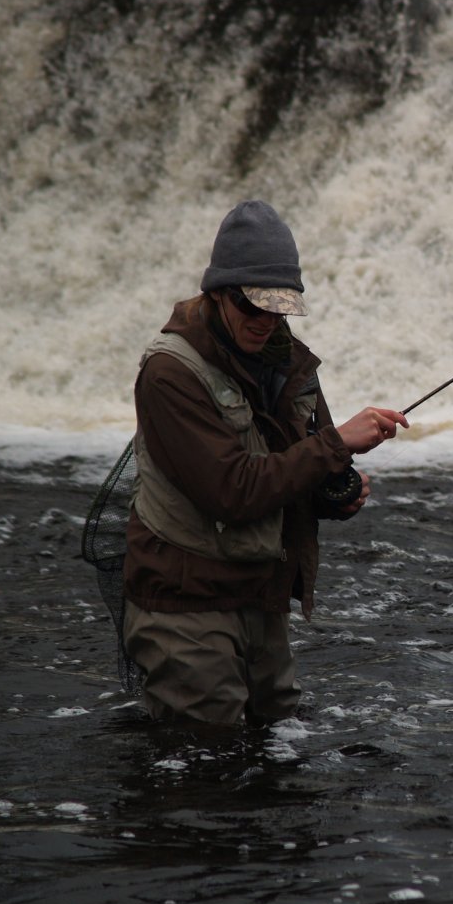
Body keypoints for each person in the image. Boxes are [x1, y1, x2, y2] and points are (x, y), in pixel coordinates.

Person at [122, 199, 409, 727]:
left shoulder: (290, 362)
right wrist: (337, 446)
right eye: (253, 306)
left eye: (279, 308)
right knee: (206, 762)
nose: (266, 321)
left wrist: (337, 491)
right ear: (218, 293)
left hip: (260, 594)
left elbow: (305, 464)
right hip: (186, 601)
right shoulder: (169, 373)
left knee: (276, 740)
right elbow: (230, 491)